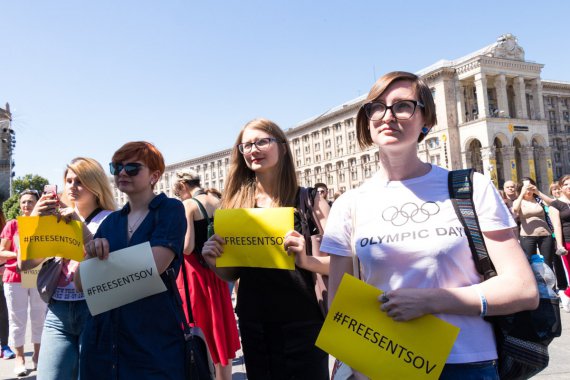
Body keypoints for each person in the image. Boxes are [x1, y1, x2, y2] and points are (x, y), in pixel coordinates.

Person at [321, 71, 538, 379]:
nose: (388, 116)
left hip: (466, 363)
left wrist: (431, 300)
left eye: (403, 106)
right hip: (382, 363)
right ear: (367, 122)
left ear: (427, 120)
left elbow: (522, 288)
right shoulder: (348, 205)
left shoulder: (469, 187)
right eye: (377, 107)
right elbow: (339, 306)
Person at [202, 118, 331, 380]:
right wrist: (214, 260)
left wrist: (305, 260)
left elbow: (341, 263)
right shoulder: (234, 206)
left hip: (304, 321)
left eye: (261, 141)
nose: (252, 150)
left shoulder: (309, 199)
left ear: (282, 147)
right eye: (246, 145)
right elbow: (232, 274)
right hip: (255, 323)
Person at [75, 141, 187, 379]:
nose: (123, 173)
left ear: (154, 175)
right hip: (103, 340)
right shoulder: (110, 222)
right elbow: (81, 283)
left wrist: (103, 266)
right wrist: (89, 254)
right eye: (117, 168)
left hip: (152, 337)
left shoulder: (170, 209)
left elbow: (155, 264)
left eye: (133, 168)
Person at [20, 158, 116, 380]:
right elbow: (25, 264)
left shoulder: (112, 220)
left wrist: (78, 227)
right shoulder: (54, 218)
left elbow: (110, 266)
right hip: (58, 309)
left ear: (96, 185)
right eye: (69, 180)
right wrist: (34, 221)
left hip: (94, 309)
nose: (72, 186)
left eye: (80, 181)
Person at [173, 171, 240, 380]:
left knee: (202, 328)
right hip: (218, 272)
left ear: (184, 184)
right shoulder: (218, 200)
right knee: (220, 330)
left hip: (196, 275)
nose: (179, 196)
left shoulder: (189, 205)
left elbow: (187, 247)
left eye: (178, 191)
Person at [0, 189, 47, 376]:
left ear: (37, 204)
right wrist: (19, 254)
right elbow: (1, 252)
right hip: (15, 277)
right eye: (24, 202)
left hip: (38, 276)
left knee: (39, 317)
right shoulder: (12, 225)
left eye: (31, 201)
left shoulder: (44, 225)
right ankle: (19, 358)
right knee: (16, 318)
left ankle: (37, 356)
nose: (27, 205)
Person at [549, 175, 570, 312]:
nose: (569, 187)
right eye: (566, 184)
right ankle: (565, 293)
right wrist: (560, 245)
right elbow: (556, 226)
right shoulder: (555, 205)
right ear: (561, 187)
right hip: (567, 242)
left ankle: (566, 293)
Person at [0, 209, 16, 360]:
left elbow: (3, 254)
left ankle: (3, 345)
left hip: (3, 278)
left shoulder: (6, 228)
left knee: (3, 312)